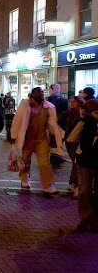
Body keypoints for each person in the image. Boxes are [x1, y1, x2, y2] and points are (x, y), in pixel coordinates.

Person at [10, 87, 62, 194]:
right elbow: (17, 120)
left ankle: (48, 186)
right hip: (28, 139)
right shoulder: (25, 105)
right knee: (25, 161)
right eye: (38, 93)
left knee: (44, 163)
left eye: (42, 92)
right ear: (32, 94)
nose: (41, 94)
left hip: (42, 139)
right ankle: (24, 179)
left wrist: (54, 137)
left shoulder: (49, 107)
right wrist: (13, 135)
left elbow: (53, 125)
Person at [73, 99, 98, 232]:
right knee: (84, 190)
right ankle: (86, 218)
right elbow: (71, 137)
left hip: (90, 161)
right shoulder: (84, 122)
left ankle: (94, 221)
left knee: (90, 191)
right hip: (85, 161)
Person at [59, 95, 85, 197]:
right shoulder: (66, 114)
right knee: (76, 162)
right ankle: (75, 185)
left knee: (76, 162)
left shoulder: (82, 114)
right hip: (71, 142)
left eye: (74, 101)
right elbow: (60, 123)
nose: (72, 103)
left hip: (79, 141)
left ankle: (72, 183)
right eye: (71, 101)